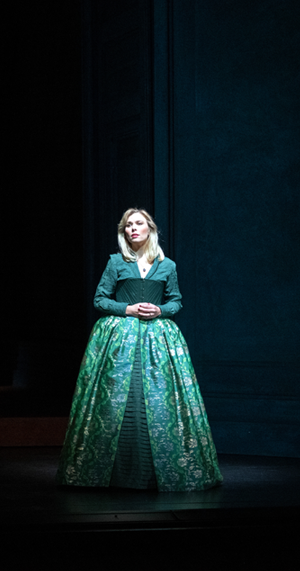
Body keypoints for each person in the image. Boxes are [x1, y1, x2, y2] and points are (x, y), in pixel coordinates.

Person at [56, 208, 222, 491]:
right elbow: (100, 299)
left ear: (150, 229)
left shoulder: (167, 265)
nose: (132, 228)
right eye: (127, 225)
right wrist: (128, 309)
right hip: (121, 338)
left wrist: (160, 310)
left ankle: (161, 475)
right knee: (119, 399)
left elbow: (176, 301)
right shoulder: (116, 262)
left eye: (138, 223)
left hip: (159, 338)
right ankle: (112, 475)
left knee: (159, 401)